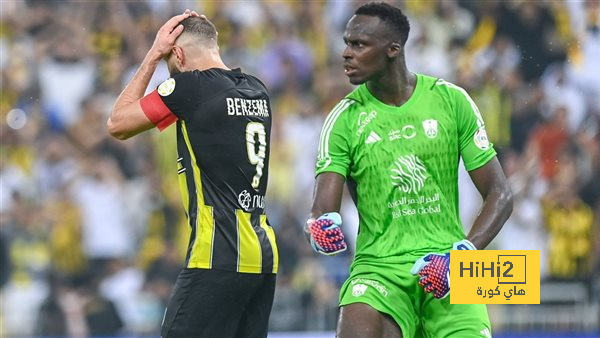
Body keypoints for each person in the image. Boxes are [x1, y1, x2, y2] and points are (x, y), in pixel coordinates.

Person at [305, 2, 513, 338]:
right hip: (378, 271)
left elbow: (500, 194)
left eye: (358, 45)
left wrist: (463, 259)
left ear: (392, 50)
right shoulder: (343, 119)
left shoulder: (452, 101)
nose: (346, 53)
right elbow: (321, 211)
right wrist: (318, 230)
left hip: (450, 269)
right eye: (346, 42)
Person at [107, 10, 278, 338]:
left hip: (218, 252)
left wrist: (154, 54)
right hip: (263, 254)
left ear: (179, 54)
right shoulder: (258, 91)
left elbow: (118, 124)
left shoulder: (191, 89)